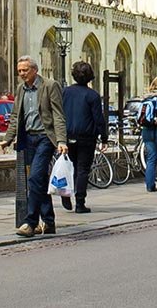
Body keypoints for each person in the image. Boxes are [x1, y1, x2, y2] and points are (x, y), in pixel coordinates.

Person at [0, 55, 66, 237]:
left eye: (25, 70)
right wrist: (8, 138)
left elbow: (58, 115)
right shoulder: (21, 89)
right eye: (19, 71)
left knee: (34, 178)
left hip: (45, 138)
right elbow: (15, 116)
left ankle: (30, 222)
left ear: (35, 70)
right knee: (40, 180)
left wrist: (61, 141)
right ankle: (49, 222)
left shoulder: (50, 86)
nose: (21, 74)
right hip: (28, 139)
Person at [61, 60, 106, 214]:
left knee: (69, 167)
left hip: (67, 136)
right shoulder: (92, 95)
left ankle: (65, 193)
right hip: (86, 138)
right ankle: (80, 203)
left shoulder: (65, 92)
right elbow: (99, 119)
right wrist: (104, 138)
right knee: (82, 169)